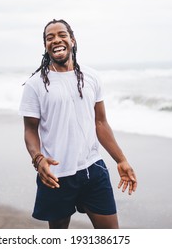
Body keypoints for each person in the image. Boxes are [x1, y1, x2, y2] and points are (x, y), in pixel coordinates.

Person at [19, 19, 137, 229]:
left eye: (62, 35)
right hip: (55, 175)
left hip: (93, 169)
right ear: (45, 46)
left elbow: (100, 123)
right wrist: (38, 159)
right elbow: (30, 129)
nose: (56, 40)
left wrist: (121, 159)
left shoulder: (91, 77)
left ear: (72, 40)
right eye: (50, 37)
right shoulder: (35, 85)